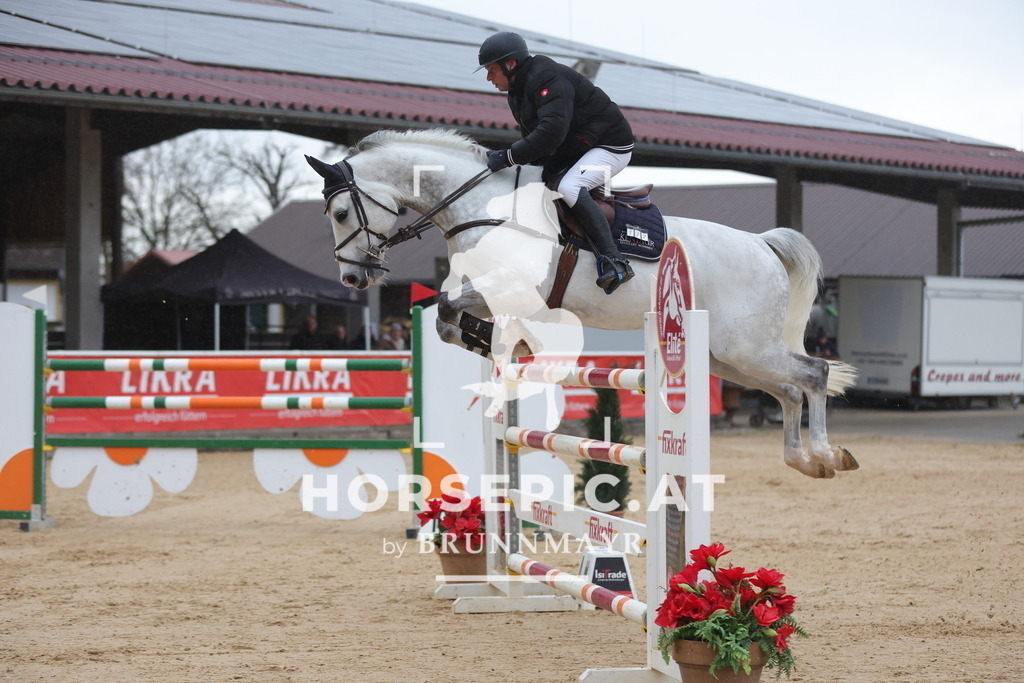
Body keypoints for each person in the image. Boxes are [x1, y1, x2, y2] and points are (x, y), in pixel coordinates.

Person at [477, 31, 635, 295]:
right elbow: (535, 140)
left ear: (510, 64)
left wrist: (508, 156)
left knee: (569, 187)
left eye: (492, 70)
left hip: (610, 146)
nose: (488, 78)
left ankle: (614, 260)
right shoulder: (516, 92)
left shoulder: (547, 78)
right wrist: (516, 162)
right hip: (576, 147)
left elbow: (550, 134)